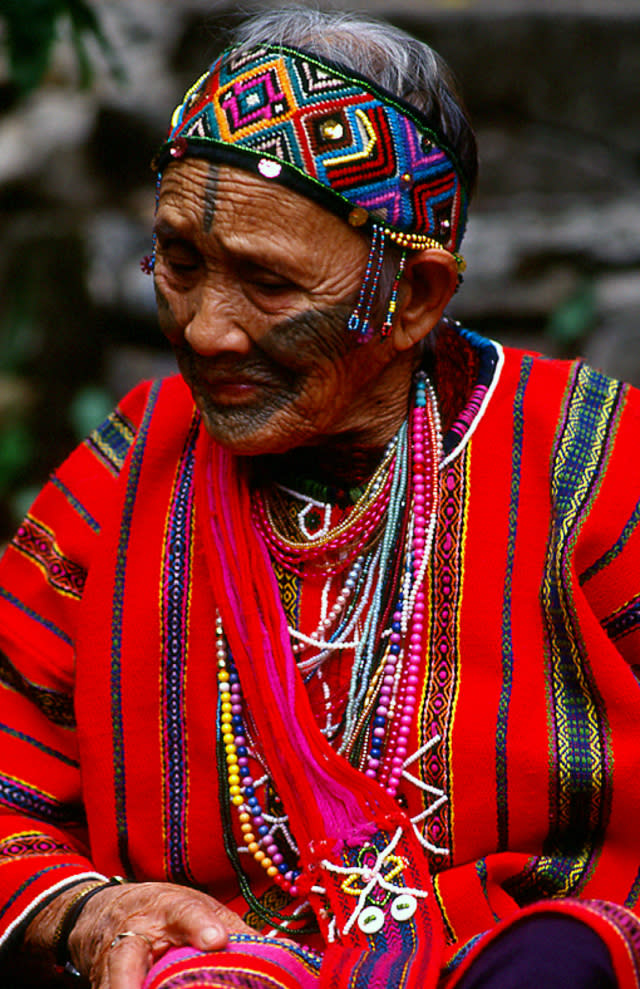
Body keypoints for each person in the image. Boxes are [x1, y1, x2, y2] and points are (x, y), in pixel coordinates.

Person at [0, 7, 639, 989]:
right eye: (178, 262)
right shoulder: (127, 475)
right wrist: (86, 906)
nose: (207, 330)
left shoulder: (593, 468)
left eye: (267, 283)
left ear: (415, 297)